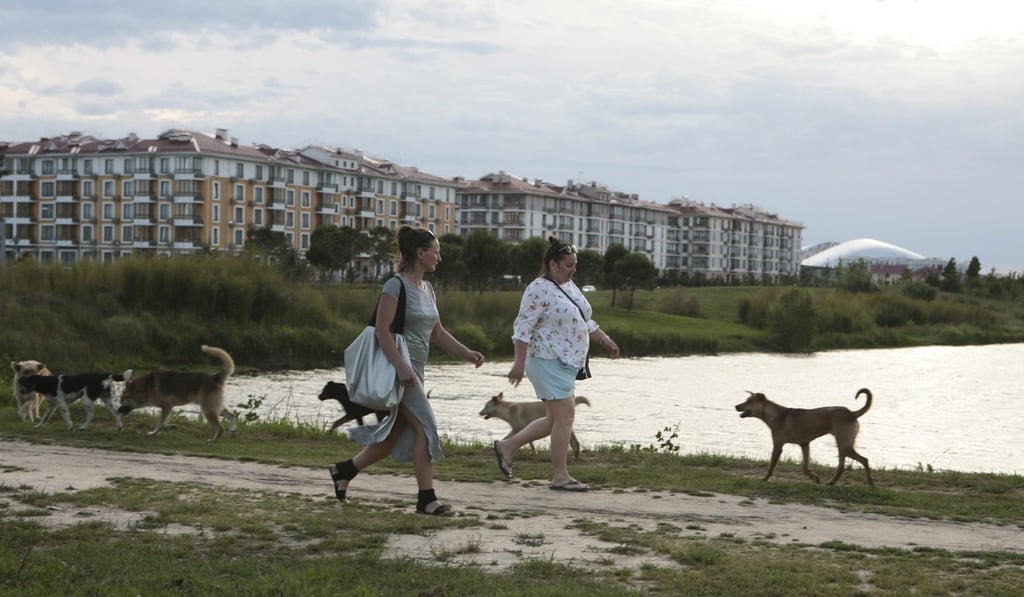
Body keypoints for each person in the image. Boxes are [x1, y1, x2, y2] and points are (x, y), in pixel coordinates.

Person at [329, 226, 485, 515]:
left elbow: (437, 333)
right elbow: (382, 333)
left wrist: (467, 353)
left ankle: (344, 471)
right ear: (420, 252)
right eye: (435, 251)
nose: (439, 257)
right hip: (400, 372)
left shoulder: (428, 289)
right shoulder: (395, 285)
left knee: (394, 437)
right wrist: (401, 367)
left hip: (415, 373)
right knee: (426, 428)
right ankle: (427, 500)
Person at [493, 237, 620, 491]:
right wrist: (518, 364)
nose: (573, 270)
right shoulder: (537, 289)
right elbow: (522, 328)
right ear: (553, 264)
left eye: (575, 265)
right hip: (546, 360)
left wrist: (605, 340)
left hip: (567, 362)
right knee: (566, 417)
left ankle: (507, 446)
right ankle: (560, 476)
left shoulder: (570, 286)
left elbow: (585, 319)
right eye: (568, 265)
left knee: (553, 420)